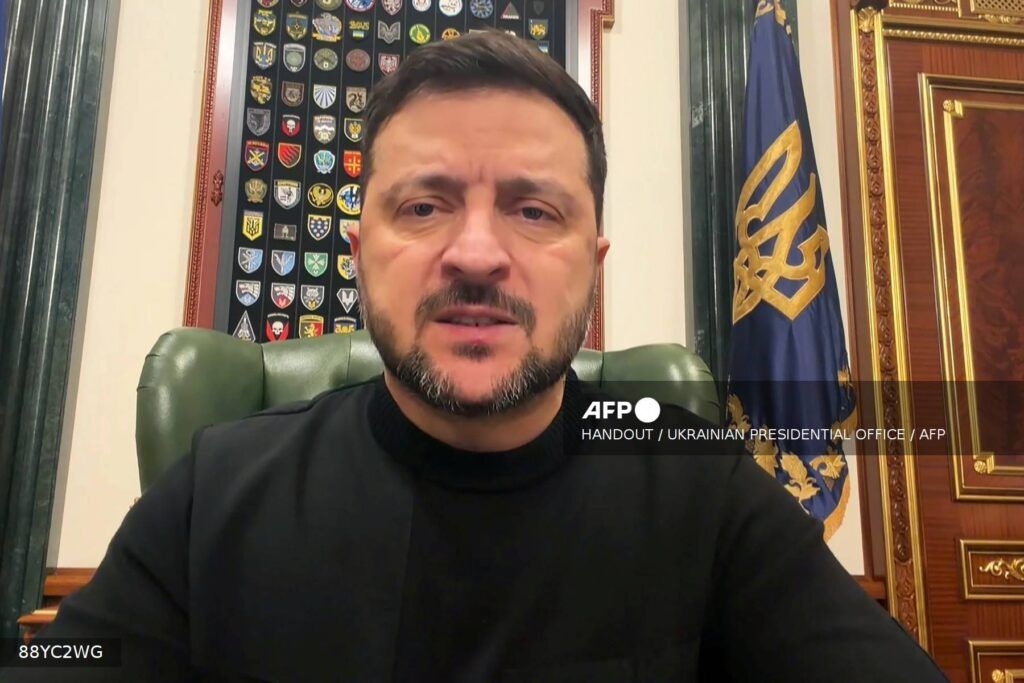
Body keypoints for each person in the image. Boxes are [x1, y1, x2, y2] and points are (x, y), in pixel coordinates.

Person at [0, 31, 946, 682]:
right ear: (359, 250)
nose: (478, 253)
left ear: (594, 264)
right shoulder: (219, 487)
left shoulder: (699, 481)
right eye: (424, 205)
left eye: (534, 209)